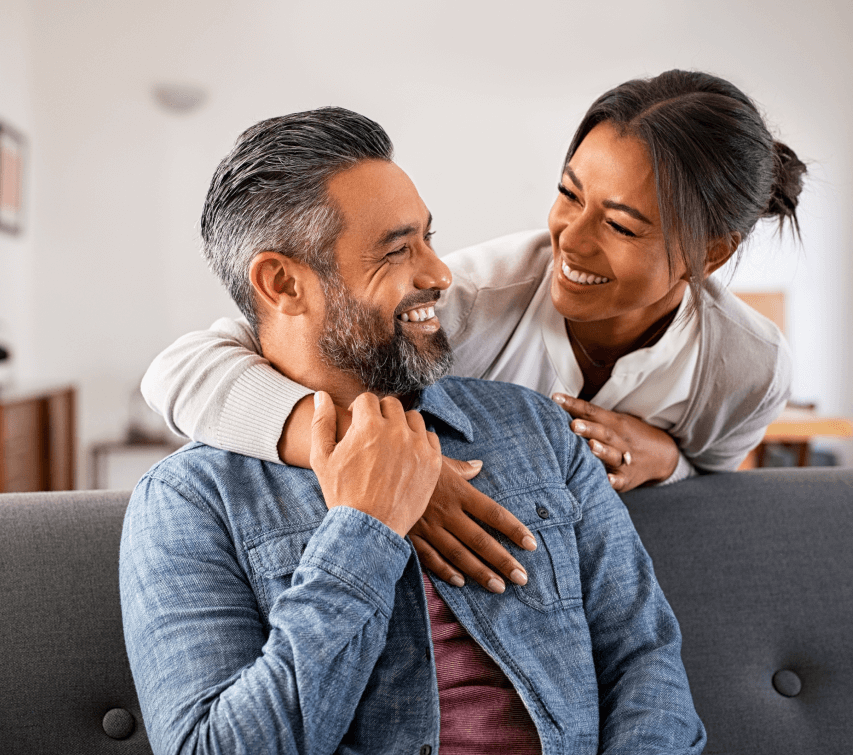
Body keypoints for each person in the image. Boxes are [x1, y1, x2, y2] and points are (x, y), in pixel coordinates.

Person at [120, 107, 705, 754]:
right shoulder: (189, 501)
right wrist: (363, 530)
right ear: (282, 283)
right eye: (398, 249)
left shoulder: (537, 428)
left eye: (428, 238)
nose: (439, 273)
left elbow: (646, 658)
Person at [141, 69, 806, 592]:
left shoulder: (746, 366)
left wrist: (670, 460)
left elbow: (717, 485)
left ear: (710, 253)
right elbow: (180, 370)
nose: (569, 239)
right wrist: (381, 461)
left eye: (622, 224)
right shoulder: (475, 298)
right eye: (569, 193)